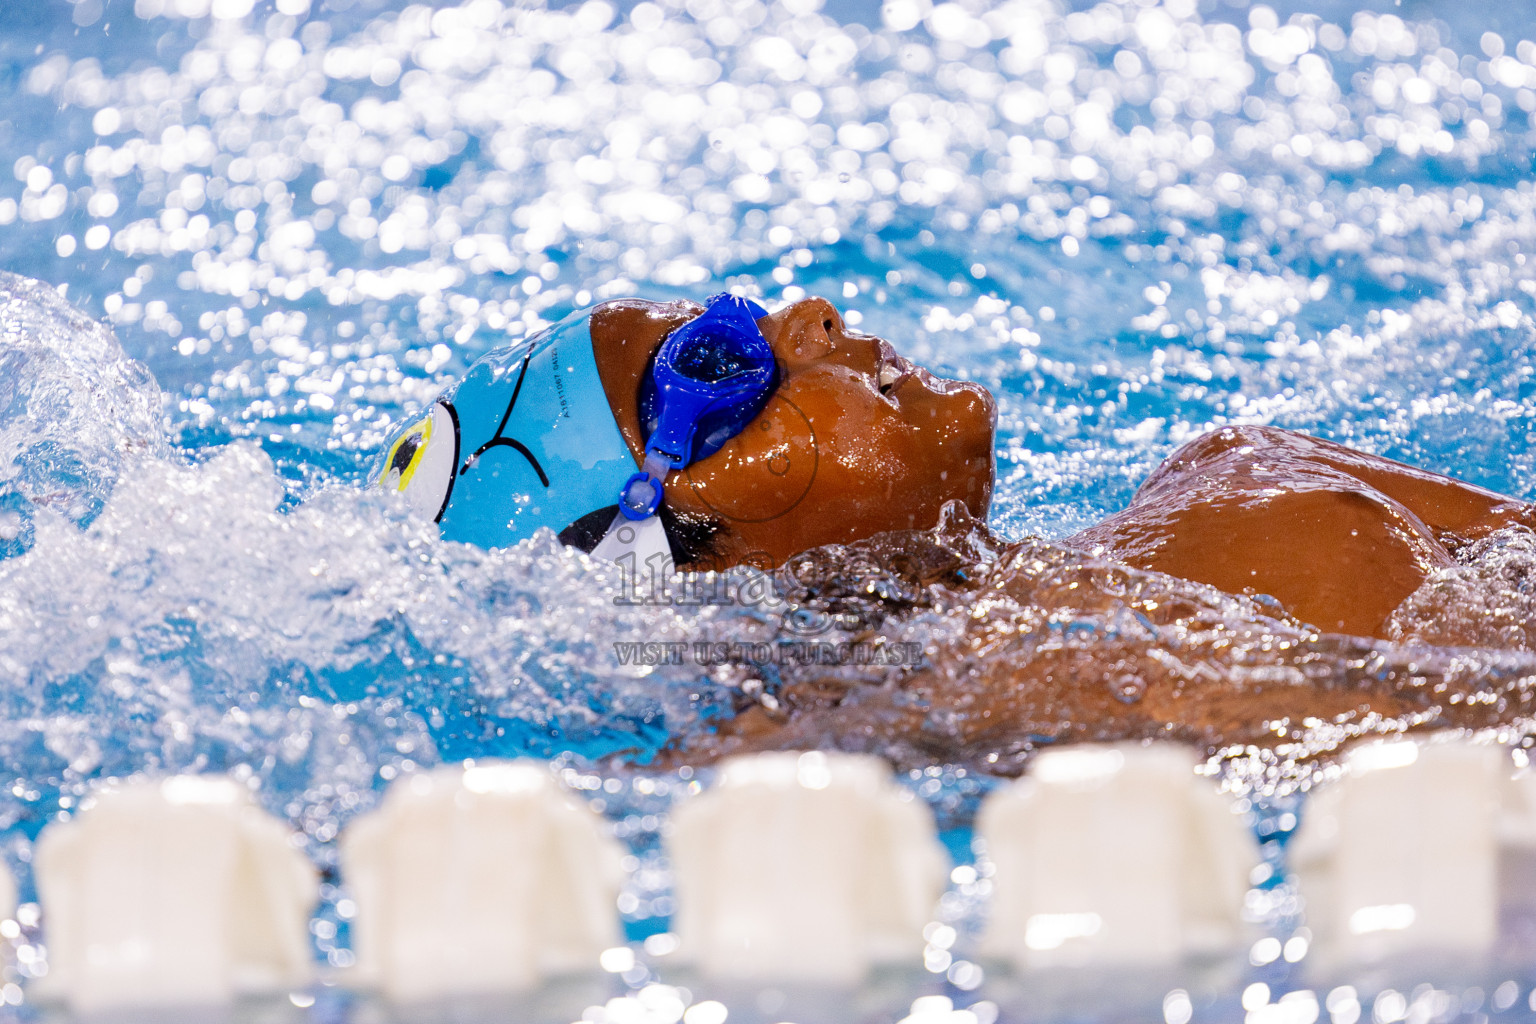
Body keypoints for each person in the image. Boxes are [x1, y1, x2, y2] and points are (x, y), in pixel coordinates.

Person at [380, 295, 1536, 770]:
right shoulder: (1024, 659)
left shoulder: (1229, 464)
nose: (807, 316)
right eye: (721, 364)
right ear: (677, 546)